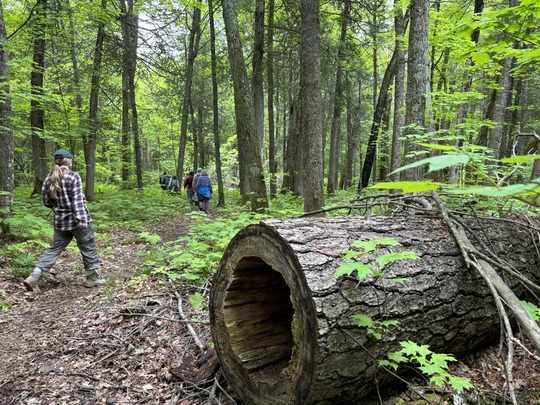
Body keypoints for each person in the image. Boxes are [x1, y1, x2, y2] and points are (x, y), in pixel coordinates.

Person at [23, 149, 105, 292]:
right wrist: (82, 221)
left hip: (60, 221)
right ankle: (92, 279)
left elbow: (46, 202)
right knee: (88, 246)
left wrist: (59, 207)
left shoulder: (49, 179)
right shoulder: (73, 177)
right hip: (77, 220)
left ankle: (34, 276)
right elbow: (78, 201)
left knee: (55, 248)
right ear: (68, 161)